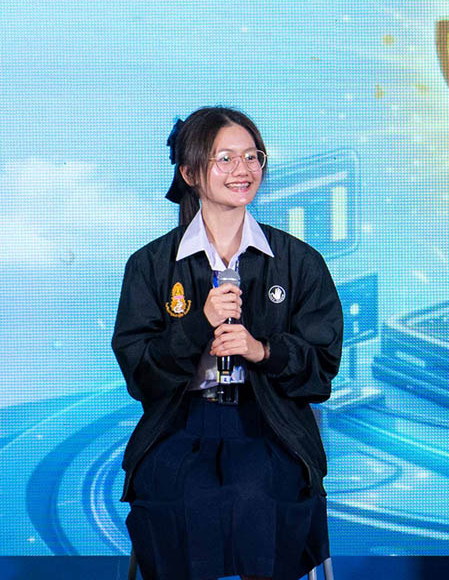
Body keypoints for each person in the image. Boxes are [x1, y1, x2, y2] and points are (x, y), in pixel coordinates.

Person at [112, 107, 342, 580]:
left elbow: (321, 370)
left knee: (259, 493)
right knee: (183, 495)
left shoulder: (298, 261)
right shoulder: (151, 265)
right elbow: (141, 377)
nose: (243, 169)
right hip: (180, 426)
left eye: (252, 156)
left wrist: (263, 351)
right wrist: (199, 324)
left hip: (270, 424)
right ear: (190, 173)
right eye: (225, 159)